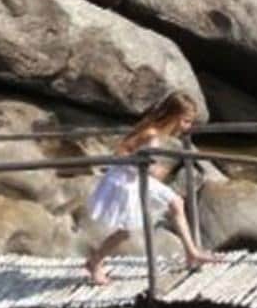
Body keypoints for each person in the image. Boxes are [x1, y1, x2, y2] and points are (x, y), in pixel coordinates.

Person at [85, 91, 217, 285]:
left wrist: (150, 168)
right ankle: (94, 262)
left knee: (176, 202)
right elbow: (120, 152)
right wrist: (143, 166)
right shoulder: (150, 132)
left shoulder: (158, 132)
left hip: (138, 175)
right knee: (127, 231)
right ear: (173, 116)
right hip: (125, 180)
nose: (188, 127)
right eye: (186, 121)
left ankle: (192, 252)